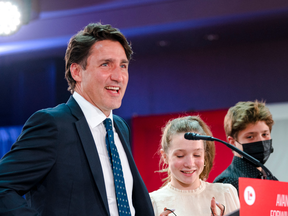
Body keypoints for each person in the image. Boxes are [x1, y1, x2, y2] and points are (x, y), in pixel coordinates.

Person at [0, 23, 154, 216]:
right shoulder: (53, 124)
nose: (118, 76)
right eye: (105, 64)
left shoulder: (119, 127)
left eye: (123, 65)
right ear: (76, 72)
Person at [149, 116, 240, 216]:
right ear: (165, 156)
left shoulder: (225, 193)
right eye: (180, 156)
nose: (190, 163)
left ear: (204, 155)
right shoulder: (153, 202)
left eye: (197, 155)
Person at [213, 100, 274, 192]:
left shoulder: (270, 178)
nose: (261, 141)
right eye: (250, 136)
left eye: (265, 134)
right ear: (233, 142)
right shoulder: (227, 184)